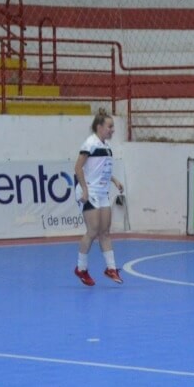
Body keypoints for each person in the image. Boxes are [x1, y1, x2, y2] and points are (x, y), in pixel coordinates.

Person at [73, 108, 125, 286]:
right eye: (110, 126)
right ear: (99, 127)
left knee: (105, 231)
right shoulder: (90, 143)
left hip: (102, 192)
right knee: (93, 231)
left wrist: (115, 180)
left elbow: (99, 170)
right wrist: (84, 189)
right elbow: (78, 168)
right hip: (89, 191)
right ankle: (81, 268)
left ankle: (111, 268)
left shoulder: (106, 147)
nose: (112, 130)